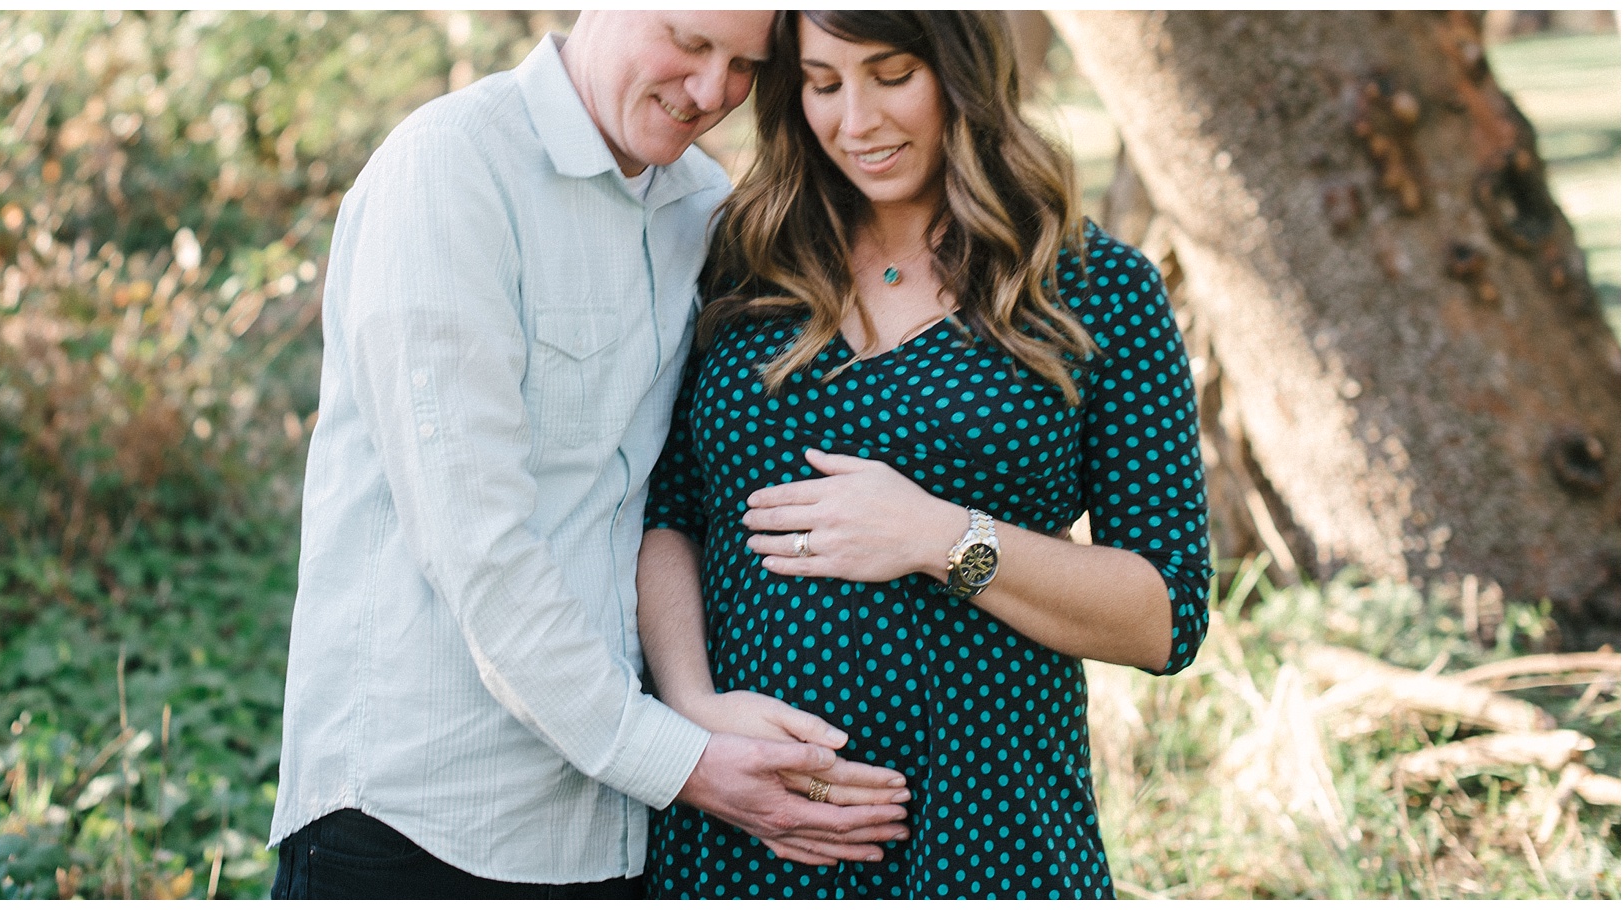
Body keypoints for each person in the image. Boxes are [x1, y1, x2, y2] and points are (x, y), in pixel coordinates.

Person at [267, 11, 914, 900]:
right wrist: (687, 763)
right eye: (689, 44)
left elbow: (671, 500)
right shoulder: (451, 171)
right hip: (418, 820)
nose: (709, 92)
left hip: (610, 832)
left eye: (742, 67)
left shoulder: (701, 207)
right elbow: (477, 545)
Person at [637, 10, 1213, 899]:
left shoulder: (1097, 291)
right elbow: (668, 512)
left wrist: (942, 537)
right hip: (743, 832)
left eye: (892, 74)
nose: (856, 121)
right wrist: (694, 710)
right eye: (825, 85)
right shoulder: (746, 265)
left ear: (963, 73)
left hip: (983, 833)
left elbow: (1165, 615)